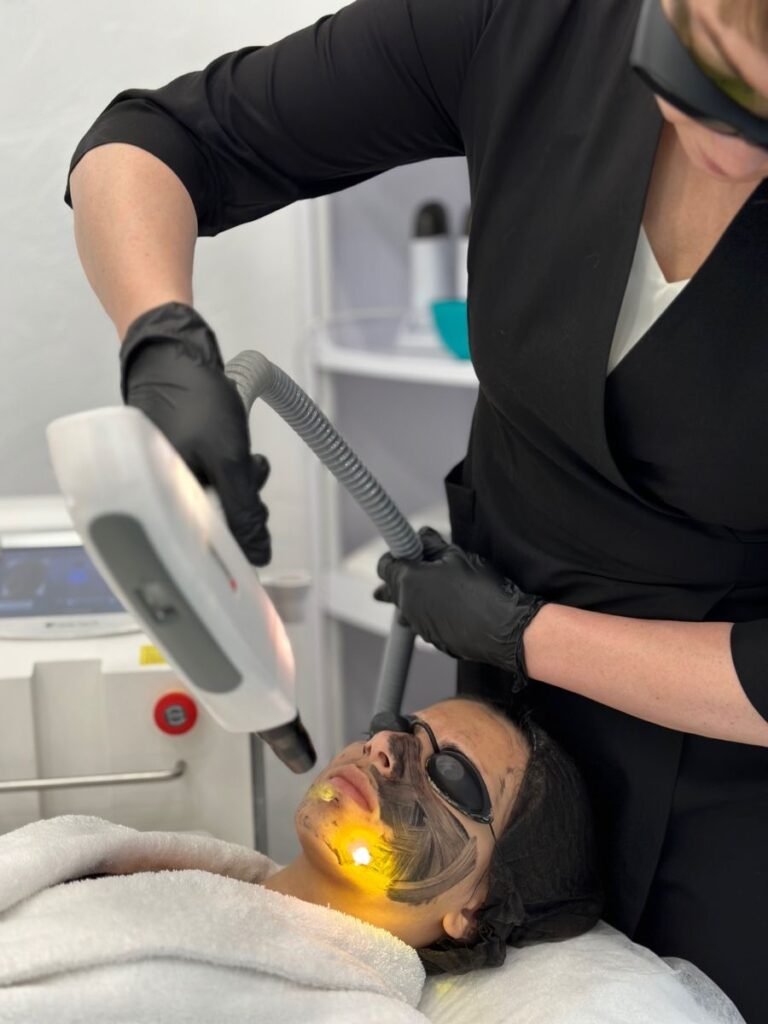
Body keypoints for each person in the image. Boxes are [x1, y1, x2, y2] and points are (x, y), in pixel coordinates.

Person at [63, 0, 768, 1018]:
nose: (735, 157)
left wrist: (530, 633)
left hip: (731, 766)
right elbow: (158, 138)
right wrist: (160, 338)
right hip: (497, 685)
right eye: (705, 74)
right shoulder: (535, 25)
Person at [0, 698, 602, 1024]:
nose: (382, 746)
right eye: (398, 727)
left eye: (450, 773)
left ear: (474, 909)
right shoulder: (144, 863)